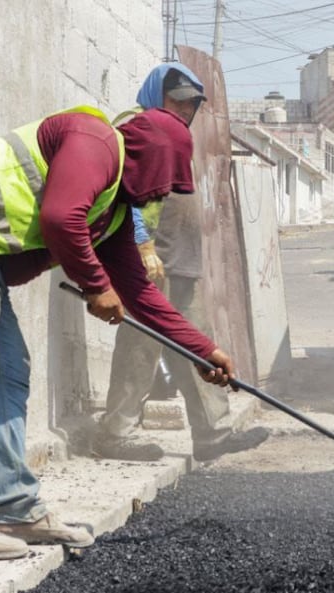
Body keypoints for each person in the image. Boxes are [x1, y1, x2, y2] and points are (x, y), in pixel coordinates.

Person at [0, 104, 237, 560]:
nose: (160, 195)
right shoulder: (95, 141)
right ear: (150, 157)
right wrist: (96, 286)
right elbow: (59, 217)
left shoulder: (109, 211)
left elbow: (141, 294)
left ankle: (14, 508)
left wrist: (202, 351)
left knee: (9, 372)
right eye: (164, 181)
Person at [93, 63, 269, 463]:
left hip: (182, 261)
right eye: (177, 102)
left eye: (191, 106)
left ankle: (212, 433)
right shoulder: (138, 130)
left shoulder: (173, 137)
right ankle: (115, 433)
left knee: (197, 347)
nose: (184, 112)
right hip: (148, 264)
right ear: (157, 95)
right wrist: (140, 244)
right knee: (140, 347)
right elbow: (125, 189)